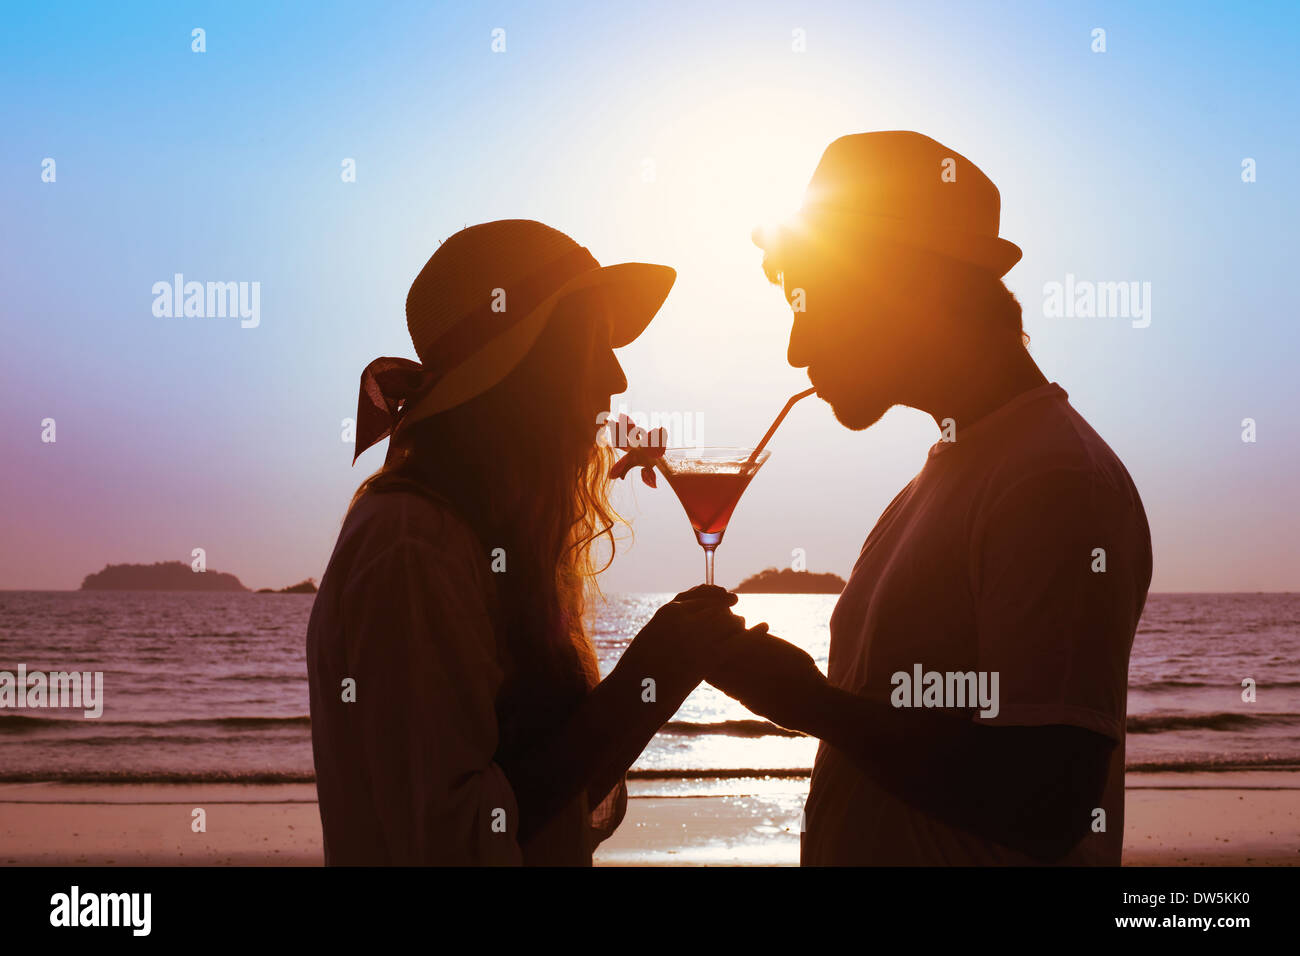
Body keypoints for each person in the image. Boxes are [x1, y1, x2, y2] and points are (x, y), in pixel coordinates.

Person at [707, 132, 1153, 865]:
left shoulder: (1054, 483)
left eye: (810, 305)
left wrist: (808, 704)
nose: (794, 348)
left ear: (906, 288)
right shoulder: (949, 474)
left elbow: (1046, 802)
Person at [306, 219, 749, 865]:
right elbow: (454, 843)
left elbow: (551, 808)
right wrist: (641, 683)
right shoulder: (414, 548)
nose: (617, 377)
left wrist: (661, 681)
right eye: (595, 343)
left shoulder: (486, 539)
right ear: (524, 366)